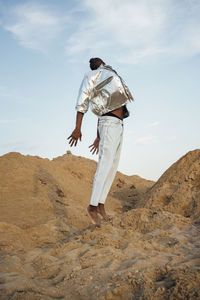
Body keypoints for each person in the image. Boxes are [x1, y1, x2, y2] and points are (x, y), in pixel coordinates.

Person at [68, 58, 134, 227]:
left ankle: (100, 205)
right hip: (109, 124)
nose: (98, 64)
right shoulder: (91, 76)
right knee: (104, 165)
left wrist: (98, 136)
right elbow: (82, 101)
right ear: (98, 65)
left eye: (98, 62)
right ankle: (92, 206)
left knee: (112, 166)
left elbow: (102, 104)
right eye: (95, 63)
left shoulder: (110, 74)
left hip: (118, 124)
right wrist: (77, 128)